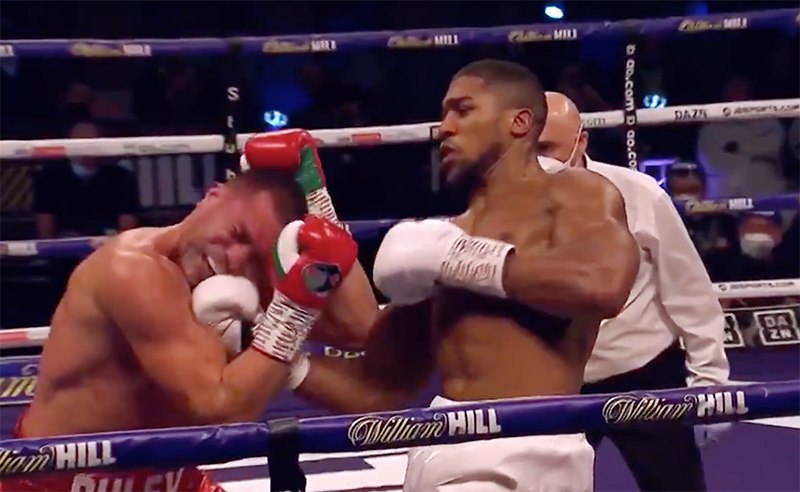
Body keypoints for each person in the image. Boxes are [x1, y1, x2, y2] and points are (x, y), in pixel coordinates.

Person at [287, 59, 641, 492]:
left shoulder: (574, 194)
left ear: (519, 122)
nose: (445, 128)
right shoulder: (443, 239)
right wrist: (272, 353)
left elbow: (603, 285)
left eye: (463, 109)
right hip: (442, 447)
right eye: (444, 114)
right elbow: (378, 388)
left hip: (525, 452)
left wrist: (460, 259)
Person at [8, 130, 377, 492]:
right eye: (238, 233)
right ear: (211, 197)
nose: (235, 259)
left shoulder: (241, 279)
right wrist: (293, 311)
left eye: (256, 256)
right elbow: (219, 409)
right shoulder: (133, 269)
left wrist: (318, 202)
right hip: (63, 481)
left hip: (176, 476)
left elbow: (360, 330)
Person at [538, 91, 731, 492]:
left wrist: (710, 379)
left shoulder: (639, 193)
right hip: (553, 379)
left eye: (547, 148)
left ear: (580, 141)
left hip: (645, 372)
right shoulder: (503, 205)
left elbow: (689, 289)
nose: (539, 162)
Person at [33, 121, 139, 239]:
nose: (86, 148)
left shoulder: (121, 176)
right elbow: (45, 219)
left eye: (92, 142)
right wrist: (52, 246)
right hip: (65, 242)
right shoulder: (49, 176)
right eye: (80, 142)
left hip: (108, 241)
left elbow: (127, 220)